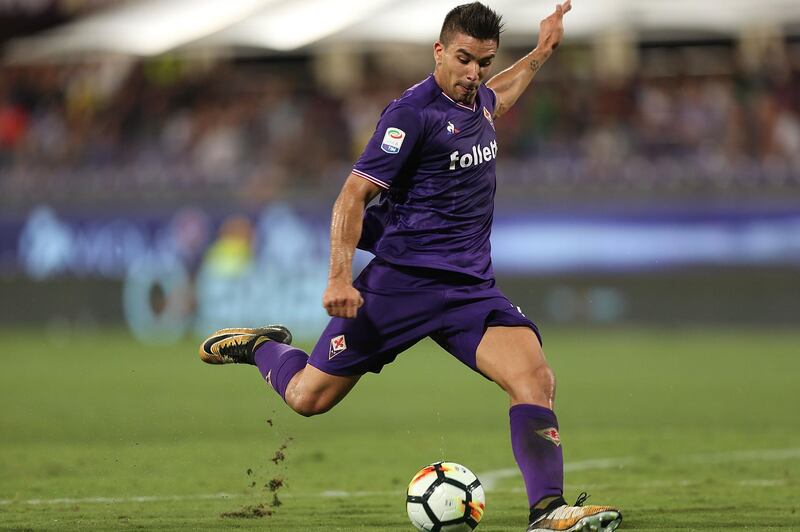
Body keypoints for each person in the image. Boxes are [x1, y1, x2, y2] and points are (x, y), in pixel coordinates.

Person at [199, 2, 622, 530]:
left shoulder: (478, 101)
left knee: (536, 378)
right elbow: (351, 198)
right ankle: (262, 347)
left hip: (469, 289)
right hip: (401, 283)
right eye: (464, 59)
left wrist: (541, 52)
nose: (473, 73)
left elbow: (502, 95)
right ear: (439, 51)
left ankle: (548, 511)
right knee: (308, 398)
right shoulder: (410, 115)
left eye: (483, 62)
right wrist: (338, 276)